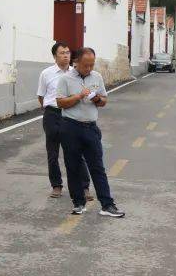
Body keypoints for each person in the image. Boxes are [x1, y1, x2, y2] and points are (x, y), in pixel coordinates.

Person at [56, 47, 125, 218]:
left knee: (97, 167)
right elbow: (60, 103)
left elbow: (103, 101)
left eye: (92, 65)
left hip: (91, 128)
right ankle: (78, 203)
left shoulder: (97, 77)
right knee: (73, 167)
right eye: (86, 65)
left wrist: (96, 98)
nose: (89, 68)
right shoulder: (65, 79)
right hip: (70, 127)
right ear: (76, 62)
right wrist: (79, 96)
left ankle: (107, 205)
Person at [37, 41, 91, 199]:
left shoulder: (76, 73)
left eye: (68, 52)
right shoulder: (46, 74)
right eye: (62, 53)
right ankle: (56, 185)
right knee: (53, 153)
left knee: (76, 152)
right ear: (55, 56)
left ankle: (84, 186)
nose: (66, 55)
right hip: (52, 114)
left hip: (71, 115)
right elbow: (41, 96)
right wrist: (50, 109)